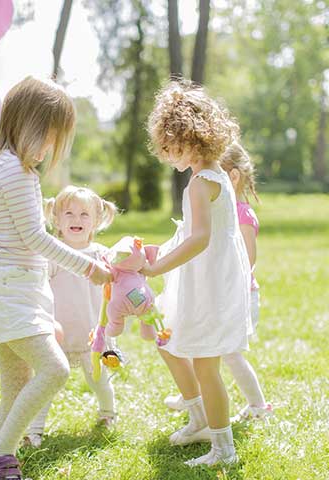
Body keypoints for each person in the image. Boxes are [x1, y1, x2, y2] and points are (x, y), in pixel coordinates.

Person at [0, 76, 112, 480]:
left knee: (16, 381)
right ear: (29, 124)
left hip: (6, 289)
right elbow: (35, 238)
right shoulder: (15, 172)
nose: (50, 148)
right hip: (8, 292)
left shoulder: (5, 166)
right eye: (49, 137)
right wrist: (88, 265)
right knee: (56, 369)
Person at [0, 186, 118, 447]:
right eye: (69, 213)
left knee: (99, 379)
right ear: (56, 219)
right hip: (56, 333)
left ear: (97, 220)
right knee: (45, 383)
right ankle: (34, 432)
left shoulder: (102, 254)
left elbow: (117, 283)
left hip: (91, 335)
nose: (76, 220)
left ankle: (108, 412)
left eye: (84, 215)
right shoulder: (54, 255)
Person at [143, 79, 251, 467]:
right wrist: (163, 250)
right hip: (213, 280)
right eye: (166, 149)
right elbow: (192, 234)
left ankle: (223, 448)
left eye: (174, 147)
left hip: (209, 284)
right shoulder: (215, 174)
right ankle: (203, 421)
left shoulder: (201, 182)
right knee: (184, 350)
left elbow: (200, 239)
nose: (170, 156)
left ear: (196, 139)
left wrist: (156, 267)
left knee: (207, 366)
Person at [163, 142, 273, 421]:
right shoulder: (222, 206)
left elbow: (246, 259)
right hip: (223, 292)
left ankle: (259, 406)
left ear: (232, 177)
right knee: (206, 346)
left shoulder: (242, 214)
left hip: (239, 294)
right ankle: (194, 394)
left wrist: (227, 286)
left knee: (231, 354)